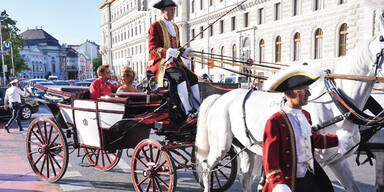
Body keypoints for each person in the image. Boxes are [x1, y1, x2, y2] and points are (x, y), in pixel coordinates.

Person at [261, 65, 353, 192]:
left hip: (311, 176)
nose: (309, 94)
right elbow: (270, 160)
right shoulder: (275, 121)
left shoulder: (306, 115)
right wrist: (278, 183)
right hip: (290, 181)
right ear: (288, 93)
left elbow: (312, 139)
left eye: (308, 89)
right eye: (303, 90)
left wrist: (337, 140)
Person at [147, 0, 200, 119]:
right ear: (163, 11)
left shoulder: (175, 27)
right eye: (170, 9)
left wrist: (184, 51)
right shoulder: (155, 26)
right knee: (179, 78)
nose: (173, 12)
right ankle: (188, 110)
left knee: (192, 77)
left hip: (175, 62)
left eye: (174, 9)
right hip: (161, 63)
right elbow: (152, 49)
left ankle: (197, 107)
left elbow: (178, 46)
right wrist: (167, 52)